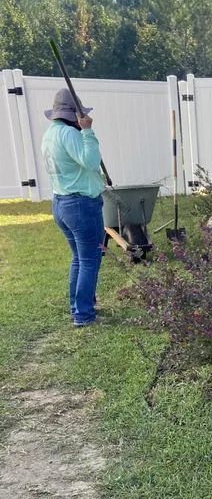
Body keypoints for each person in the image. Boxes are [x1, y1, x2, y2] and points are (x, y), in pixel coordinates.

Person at [41, 88, 106, 327]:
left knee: (79, 258)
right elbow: (90, 161)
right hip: (80, 205)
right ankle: (84, 314)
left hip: (61, 203)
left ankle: (78, 306)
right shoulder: (70, 134)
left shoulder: (50, 134)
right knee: (90, 259)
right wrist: (88, 131)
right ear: (75, 115)